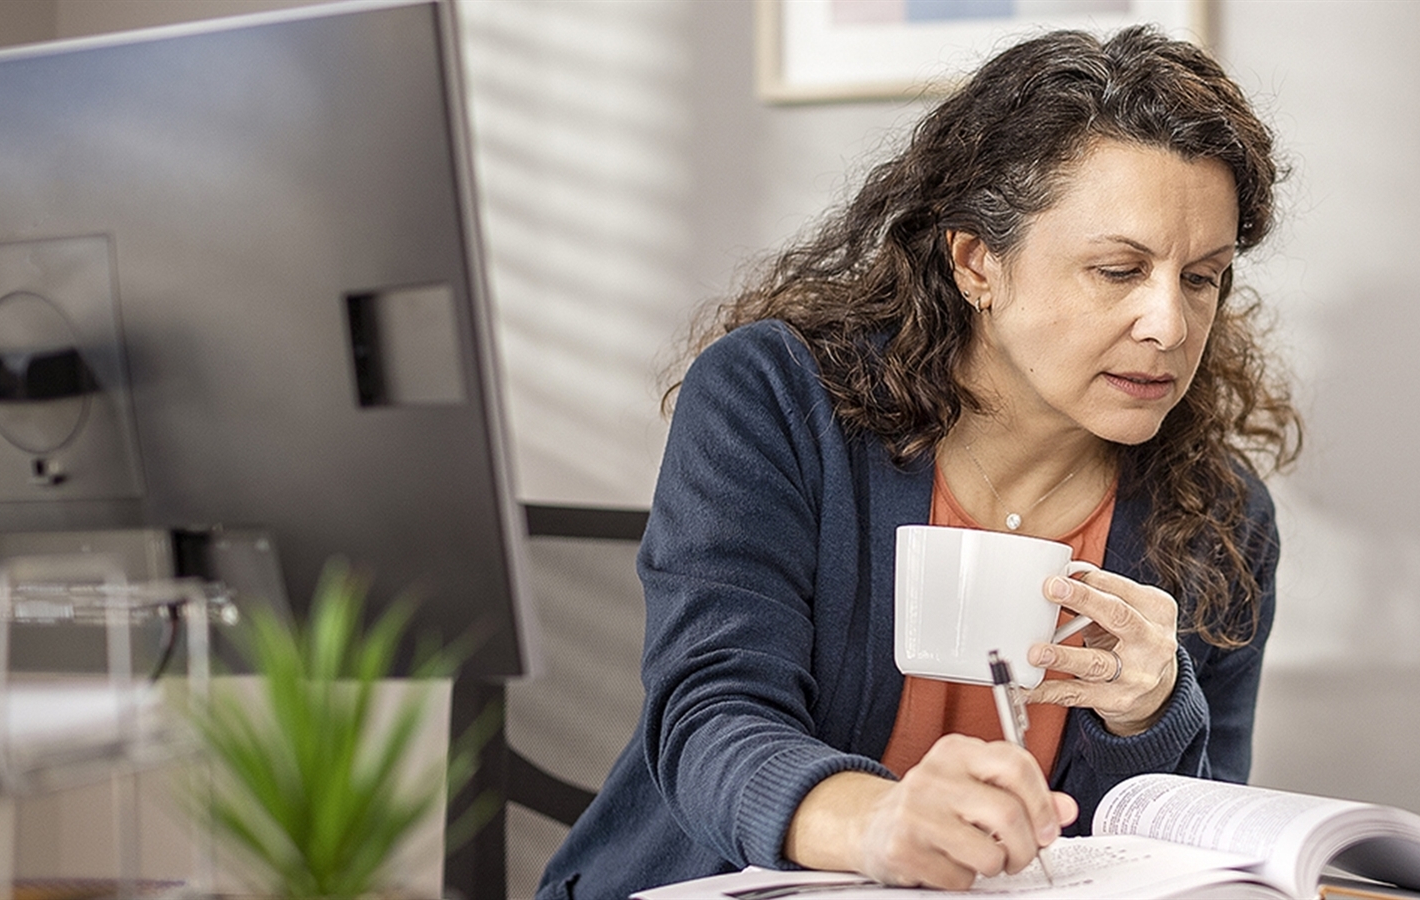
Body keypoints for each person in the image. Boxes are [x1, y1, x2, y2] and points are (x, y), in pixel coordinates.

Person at [538, 25, 1300, 899]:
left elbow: (1188, 852)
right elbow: (713, 719)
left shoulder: (1218, 517)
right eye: (1118, 270)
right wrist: (879, 822)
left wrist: (1150, 717)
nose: (1169, 325)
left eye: (1201, 278)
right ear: (977, 260)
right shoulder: (774, 401)